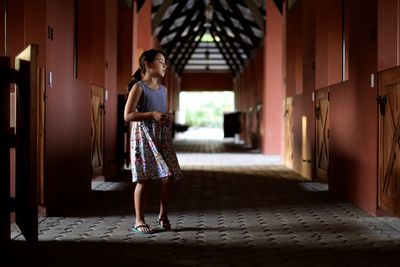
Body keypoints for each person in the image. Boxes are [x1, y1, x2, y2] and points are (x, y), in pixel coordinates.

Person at [124, 49, 182, 234]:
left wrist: (165, 117)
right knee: (144, 179)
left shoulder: (164, 90)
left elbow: (159, 113)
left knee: (169, 176)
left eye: (165, 62)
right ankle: (139, 221)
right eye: (160, 61)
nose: (165, 65)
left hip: (162, 136)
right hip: (143, 137)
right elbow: (128, 115)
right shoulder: (139, 87)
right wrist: (151, 115)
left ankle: (163, 215)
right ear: (148, 64)